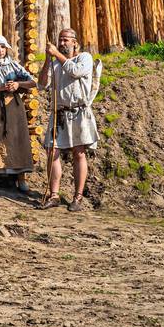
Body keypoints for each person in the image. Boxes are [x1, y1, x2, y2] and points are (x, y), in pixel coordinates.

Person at [40, 28, 99, 213]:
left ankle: (78, 197)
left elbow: (75, 71)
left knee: (79, 153)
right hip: (59, 113)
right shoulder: (55, 63)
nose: (62, 43)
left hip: (79, 112)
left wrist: (56, 54)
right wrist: (47, 60)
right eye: (60, 40)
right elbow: (42, 84)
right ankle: (54, 195)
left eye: (66, 40)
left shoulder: (85, 58)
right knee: (52, 150)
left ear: (74, 42)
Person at [0, 35, 37, 194]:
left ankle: (21, 181)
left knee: (18, 140)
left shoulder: (14, 66)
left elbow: (32, 82)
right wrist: (1, 88)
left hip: (14, 107)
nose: (0, 51)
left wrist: (17, 84)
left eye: (2, 47)